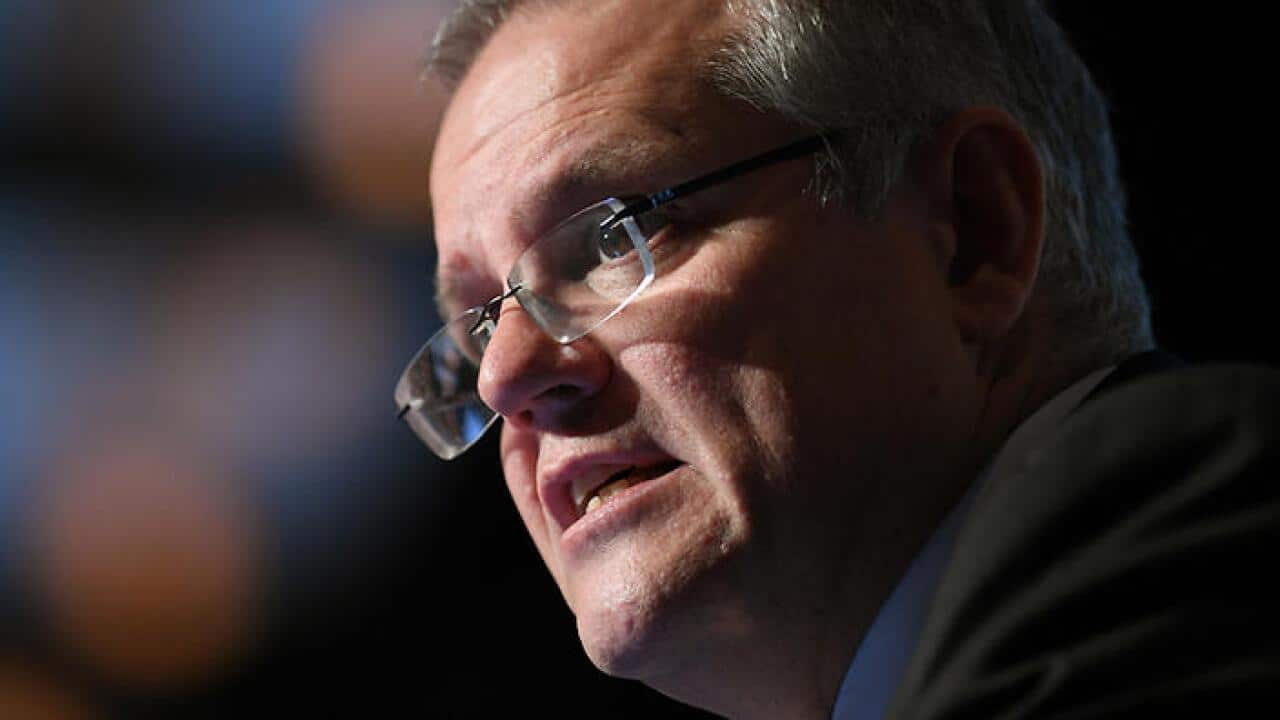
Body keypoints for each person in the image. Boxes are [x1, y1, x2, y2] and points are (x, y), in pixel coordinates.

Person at [395, 1, 1280, 717]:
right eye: (476, 322)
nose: (502, 375)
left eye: (615, 237)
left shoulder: (1182, 564)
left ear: (972, 229)